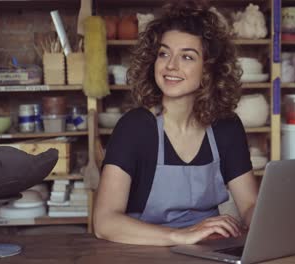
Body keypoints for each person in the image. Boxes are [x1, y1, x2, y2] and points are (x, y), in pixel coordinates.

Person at [93, 0, 259, 246]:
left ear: (208, 70)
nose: (171, 65)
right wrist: (180, 236)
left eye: (187, 57)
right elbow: (105, 222)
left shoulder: (226, 126)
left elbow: (250, 205)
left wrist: (265, 225)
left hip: (208, 250)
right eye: (164, 53)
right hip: (144, 252)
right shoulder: (135, 127)